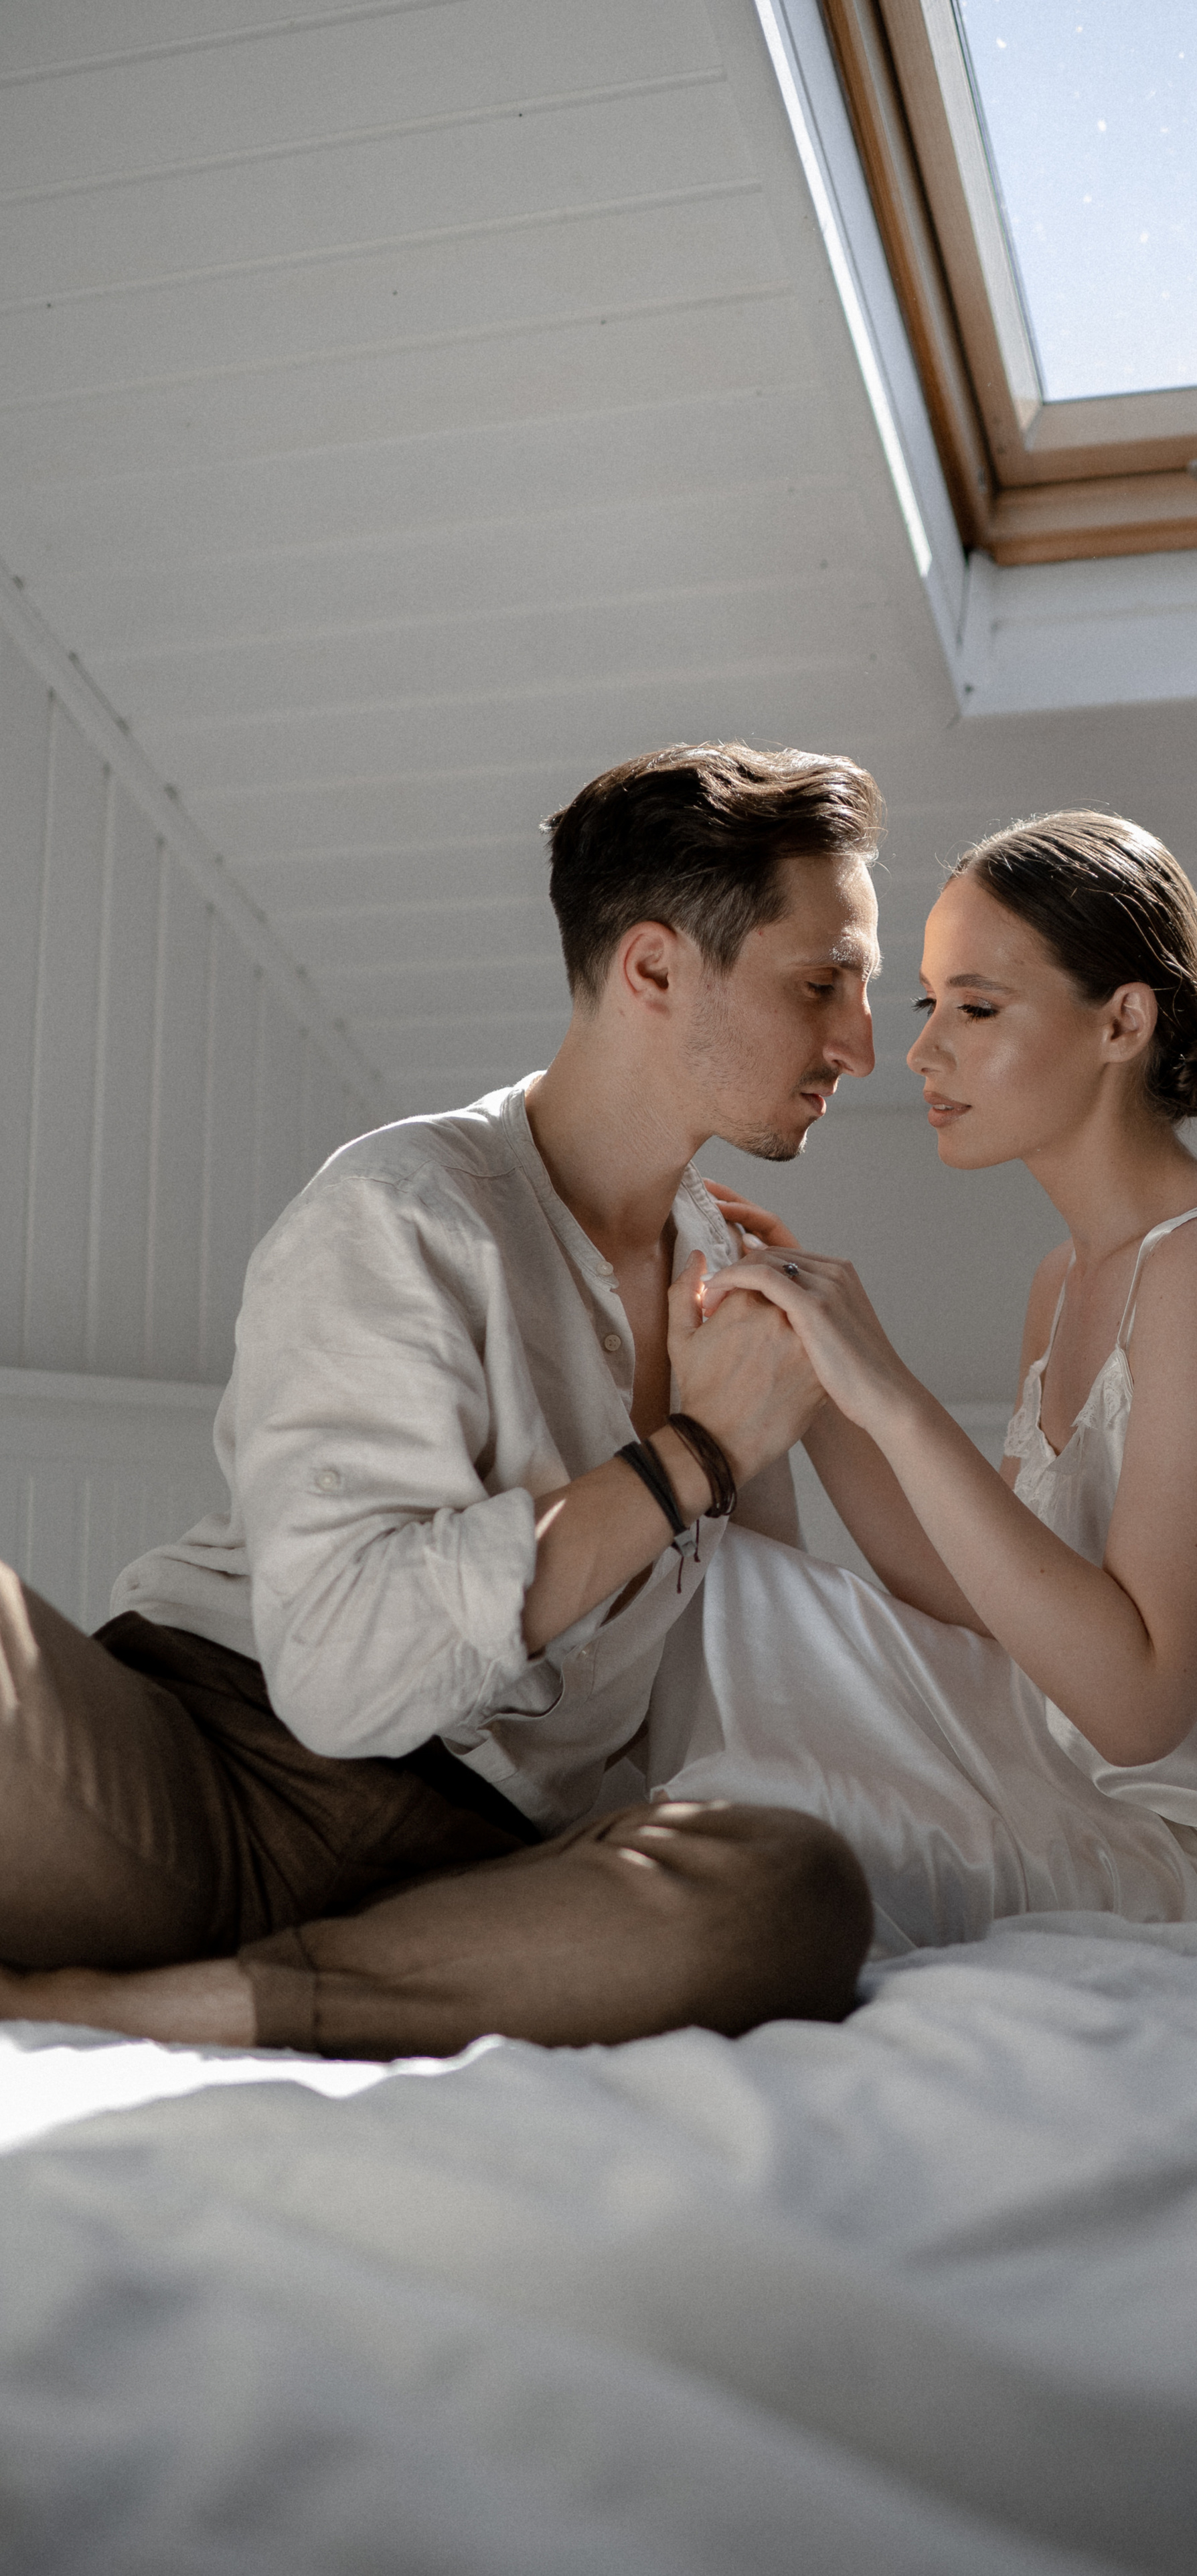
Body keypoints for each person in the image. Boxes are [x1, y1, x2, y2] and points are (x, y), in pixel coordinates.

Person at [0, 742, 884, 2058]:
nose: (860, 1045)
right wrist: (690, 1454)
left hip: (479, 1875)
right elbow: (347, 1685)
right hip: (198, 1772)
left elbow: (740, 1699)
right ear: (651, 967)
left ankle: (129, 2007)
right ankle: (249, 1980)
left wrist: (812, 1397)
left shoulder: (733, 1295)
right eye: (822, 984)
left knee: (798, 1886)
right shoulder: (404, 1211)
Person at [648, 810, 1197, 1952]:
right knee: (731, 1591)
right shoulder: (1070, 1278)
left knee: (772, 1758)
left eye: (978, 1009)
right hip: (1124, 1792)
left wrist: (883, 1385)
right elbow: (982, 1597)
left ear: (1123, 1021)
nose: (923, 1052)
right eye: (928, 1005)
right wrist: (818, 1367)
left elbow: (1140, 1703)